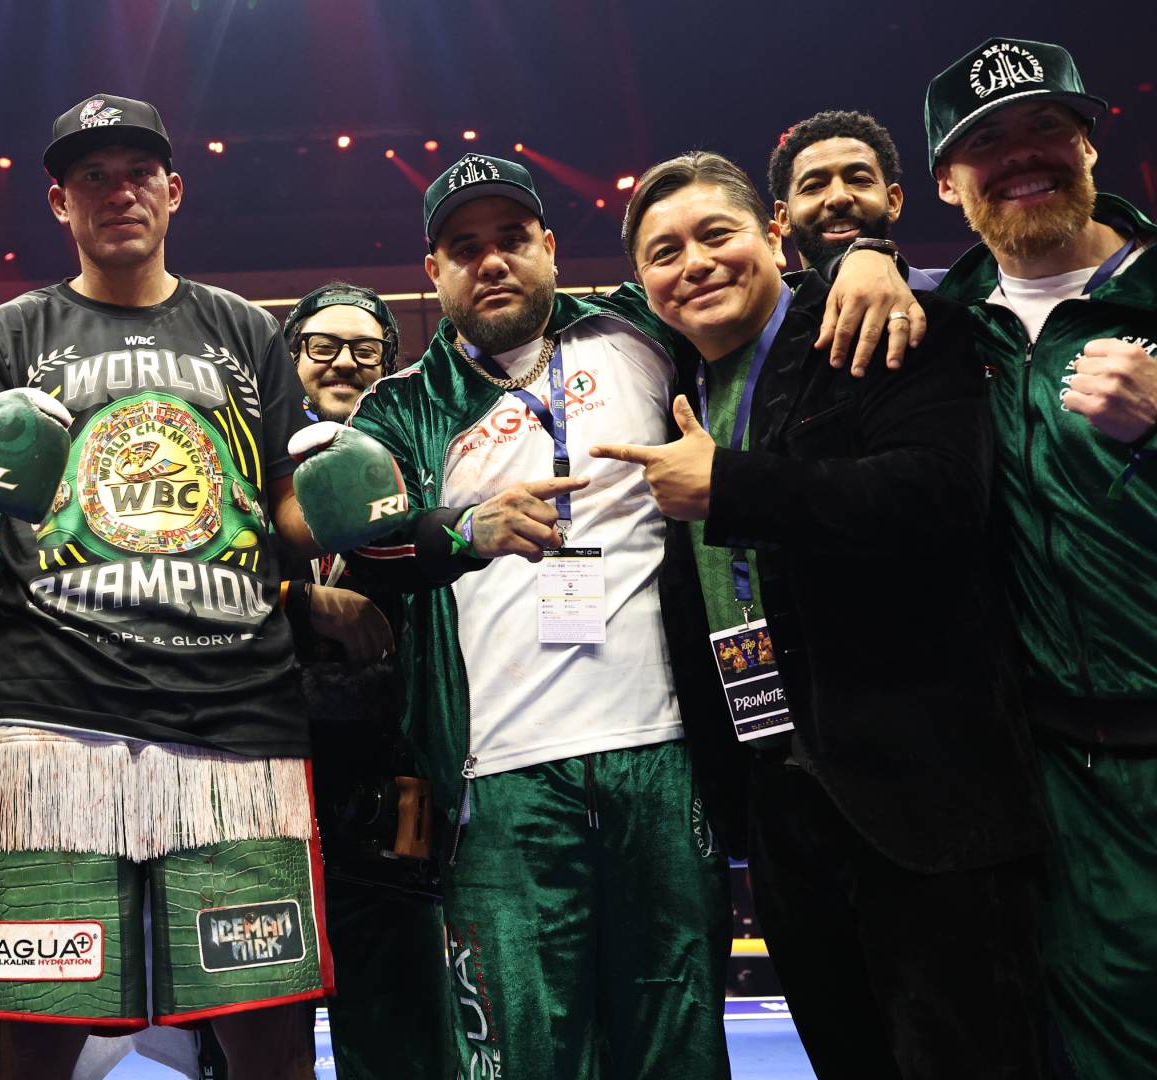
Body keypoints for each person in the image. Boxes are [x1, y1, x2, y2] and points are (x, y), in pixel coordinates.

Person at [0, 92, 388, 1080]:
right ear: (61, 202)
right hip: (52, 719)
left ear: (174, 190)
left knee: (263, 1022)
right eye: (92, 176)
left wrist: (345, 508)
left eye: (138, 172)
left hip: (233, 718)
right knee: (35, 1023)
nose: (119, 191)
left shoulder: (245, 331)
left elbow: (281, 513)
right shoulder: (10, 334)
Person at [595, 150, 1047, 1078]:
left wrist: (728, 484)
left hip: (921, 791)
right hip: (776, 798)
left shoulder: (885, 323)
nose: (695, 264)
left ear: (772, 233)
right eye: (664, 252)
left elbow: (939, 498)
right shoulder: (670, 375)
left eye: (716, 234)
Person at [341, 153, 730, 1080]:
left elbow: (755, 296)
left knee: (677, 1044)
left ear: (550, 249)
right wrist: (463, 530)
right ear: (432, 274)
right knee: (518, 1058)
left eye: (512, 239)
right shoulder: (403, 407)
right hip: (501, 777)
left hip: (665, 749)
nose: (492, 262)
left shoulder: (643, 331)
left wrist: (872, 256)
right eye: (463, 247)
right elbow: (362, 543)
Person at [919, 36, 1157, 1078]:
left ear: (1090, 141)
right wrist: (866, 259)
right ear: (945, 182)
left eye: (1043, 128)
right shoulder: (937, 328)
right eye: (988, 144)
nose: (1023, 158)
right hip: (1059, 775)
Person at [278, 282, 451, 1080]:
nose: (344, 361)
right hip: (262, 778)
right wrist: (299, 601)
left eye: (366, 348)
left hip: (391, 782)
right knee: (256, 1040)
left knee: (398, 1037)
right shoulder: (245, 470)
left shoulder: (426, 464)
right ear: (291, 360)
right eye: (322, 346)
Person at [768, 110, 941, 287]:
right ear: (784, 218)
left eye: (859, 180)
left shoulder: (961, 296)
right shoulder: (768, 313)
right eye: (814, 186)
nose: (839, 197)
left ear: (893, 202)